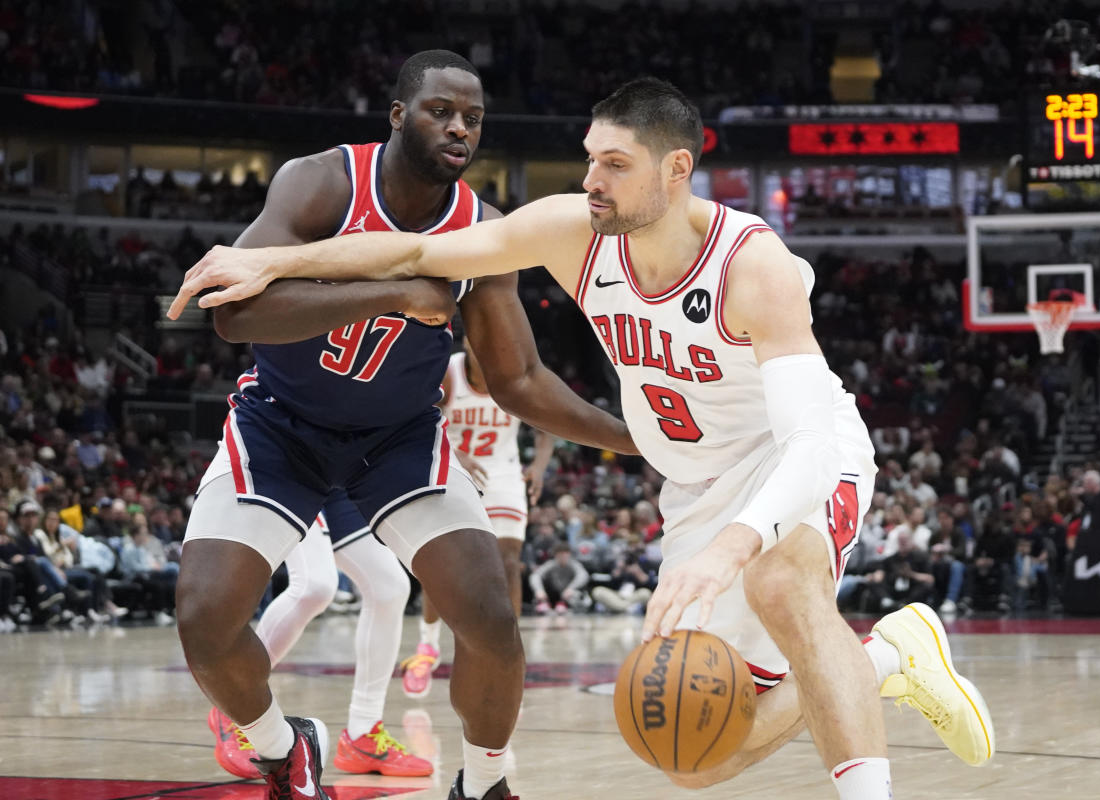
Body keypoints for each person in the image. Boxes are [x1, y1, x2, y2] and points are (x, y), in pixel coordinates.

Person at [169, 76, 994, 798]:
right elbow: (423, 248)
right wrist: (274, 265)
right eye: (591, 158)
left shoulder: (754, 265)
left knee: (784, 584)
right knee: (696, 753)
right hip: (698, 490)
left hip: (791, 461)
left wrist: (732, 548)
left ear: (678, 169)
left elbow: (812, 439)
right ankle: (888, 658)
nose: (592, 179)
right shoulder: (573, 229)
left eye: (616, 164)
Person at [167, 51, 634, 800]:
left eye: (473, 118)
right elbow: (234, 315)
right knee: (203, 620)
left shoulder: (484, 231)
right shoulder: (320, 181)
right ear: (396, 115)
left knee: (489, 616)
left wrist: (637, 441)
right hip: (281, 426)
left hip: (399, 440)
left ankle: (483, 784)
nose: (459, 127)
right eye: (440, 110)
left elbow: (516, 379)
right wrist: (391, 291)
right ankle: (283, 748)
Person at [209, 491, 433, 780]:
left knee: (389, 587)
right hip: (289, 464)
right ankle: (233, 701)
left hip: (337, 477)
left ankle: (363, 734)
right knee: (315, 585)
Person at [401, 339, 554, 698]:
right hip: (451, 464)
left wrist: (541, 466)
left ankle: (508, 649)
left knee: (510, 562)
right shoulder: (449, 370)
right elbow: (419, 415)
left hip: (502, 471)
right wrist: (456, 454)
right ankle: (428, 646)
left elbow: (545, 423)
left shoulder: (517, 369)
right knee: (440, 564)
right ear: (467, 339)